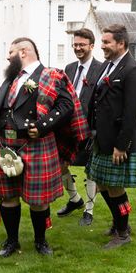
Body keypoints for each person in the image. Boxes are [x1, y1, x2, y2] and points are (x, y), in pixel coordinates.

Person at [0, 37, 88, 256]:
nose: (7, 56)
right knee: (8, 196)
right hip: (7, 144)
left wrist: (41, 126)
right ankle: (12, 241)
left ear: (23, 52)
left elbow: (66, 105)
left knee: (38, 199)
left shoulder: (49, 75)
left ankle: (40, 241)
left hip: (36, 143)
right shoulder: (10, 78)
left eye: (10, 52)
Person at [88, 24, 136, 249]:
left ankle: (123, 233)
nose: (102, 46)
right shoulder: (107, 66)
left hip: (119, 141)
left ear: (121, 43)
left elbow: (132, 112)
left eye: (106, 42)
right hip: (102, 137)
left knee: (115, 187)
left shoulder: (132, 69)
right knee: (101, 183)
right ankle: (118, 222)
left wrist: (122, 145)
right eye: (102, 42)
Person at [57, 28, 103, 226]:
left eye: (82, 45)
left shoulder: (101, 69)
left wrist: (96, 130)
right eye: (75, 45)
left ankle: (89, 210)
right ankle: (75, 199)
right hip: (68, 129)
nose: (78, 48)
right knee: (61, 166)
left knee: (90, 170)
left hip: (90, 128)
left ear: (91, 46)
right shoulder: (69, 68)